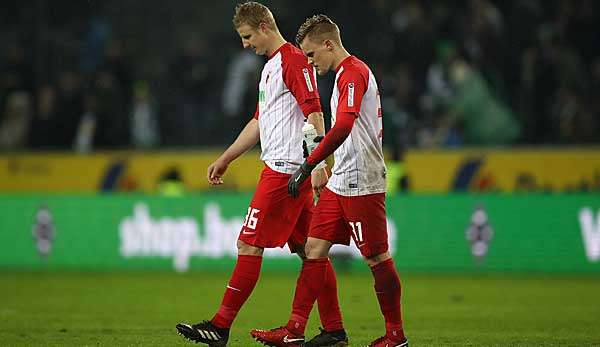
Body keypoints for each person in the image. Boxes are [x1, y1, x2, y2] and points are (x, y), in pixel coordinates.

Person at [176, 3, 346, 346]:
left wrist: (316, 165)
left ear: (265, 26)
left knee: (248, 245)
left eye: (247, 36)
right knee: (311, 252)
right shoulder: (272, 67)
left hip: (284, 174)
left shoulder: (294, 60)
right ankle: (334, 329)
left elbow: (314, 112)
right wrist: (226, 158)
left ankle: (220, 326)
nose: (245, 44)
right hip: (288, 172)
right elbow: (259, 122)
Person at [250, 15, 408, 347]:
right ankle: (294, 331)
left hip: (361, 179)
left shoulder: (353, 74)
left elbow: (345, 125)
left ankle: (396, 335)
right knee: (314, 248)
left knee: (376, 257)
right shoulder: (341, 77)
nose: (309, 62)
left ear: (328, 45)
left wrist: (310, 164)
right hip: (341, 178)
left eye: (310, 55)